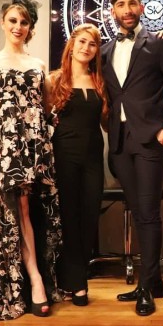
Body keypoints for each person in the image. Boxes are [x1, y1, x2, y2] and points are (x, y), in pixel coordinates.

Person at [102, 0, 163, 317]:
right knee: (140, 212)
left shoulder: (158, 45)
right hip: (119, 144)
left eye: (132, 4)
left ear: (141, 8)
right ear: (113, 11)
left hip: (151, 141)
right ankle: (153, 282)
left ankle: (146, 288)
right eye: (121, 5)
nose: (127, 10)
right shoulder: (104, 51)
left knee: (148, 213)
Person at [0, 0, 61, 320]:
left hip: (34, 145)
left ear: (30, 28)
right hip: (5, 147)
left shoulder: (38, 65)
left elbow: (48, 107)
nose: (18, 26)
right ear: (3, 23)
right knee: (17, 208)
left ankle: (35, 279)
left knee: (29, 209)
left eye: (24, 22)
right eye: (13, 20)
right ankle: (32, 280)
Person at [49, 23, 109, 306]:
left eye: (92, 44)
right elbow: (38, 118)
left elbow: (107, 123)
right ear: (72, 45)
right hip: (64, 155)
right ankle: (77, 284)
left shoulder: (100, 82)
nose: (86, 47)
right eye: (82, 42)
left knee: (89, 216)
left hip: (93, 157)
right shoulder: (54, 80)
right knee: (69, 217)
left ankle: (73, 277)